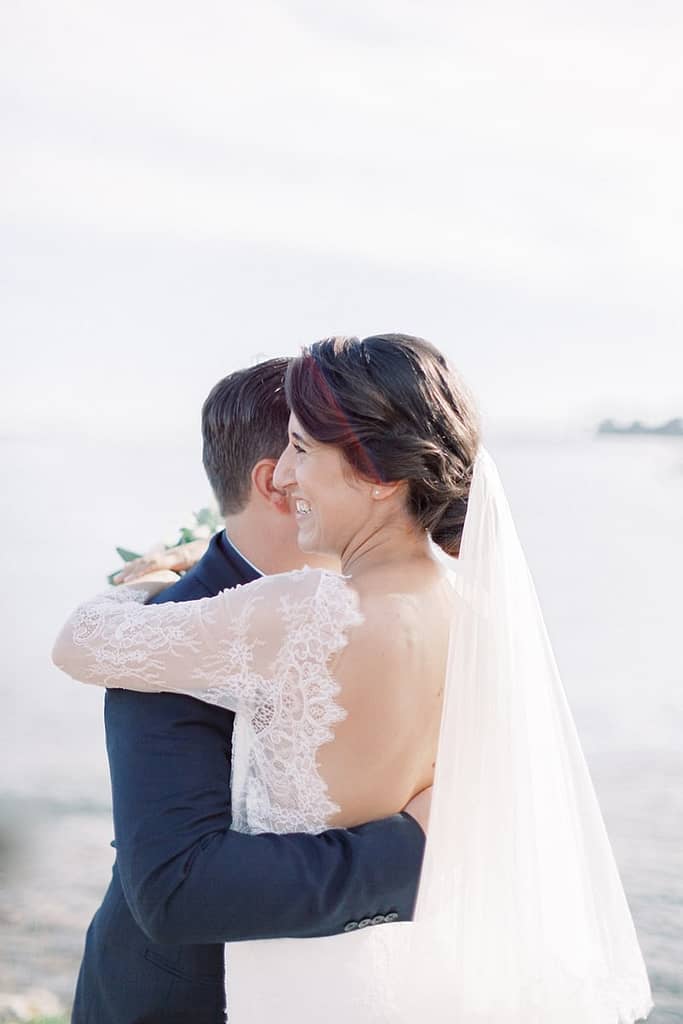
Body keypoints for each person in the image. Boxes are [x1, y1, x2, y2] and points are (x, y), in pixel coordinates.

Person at [54, 335, 652, 1022]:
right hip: (387, 983)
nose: (286, 475)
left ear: (377, 475)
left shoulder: (300, 611)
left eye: (304, 450)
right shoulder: (478, 612)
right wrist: (435, 839)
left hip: (286, 985)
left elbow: (82, 644)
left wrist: (138, 587)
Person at [67, 357, 427, 1024]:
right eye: (297, 446)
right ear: (275, 482)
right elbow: (177, 888)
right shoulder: (176, 633)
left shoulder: (397, 604)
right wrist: (421, 851)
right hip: (192, 1002)